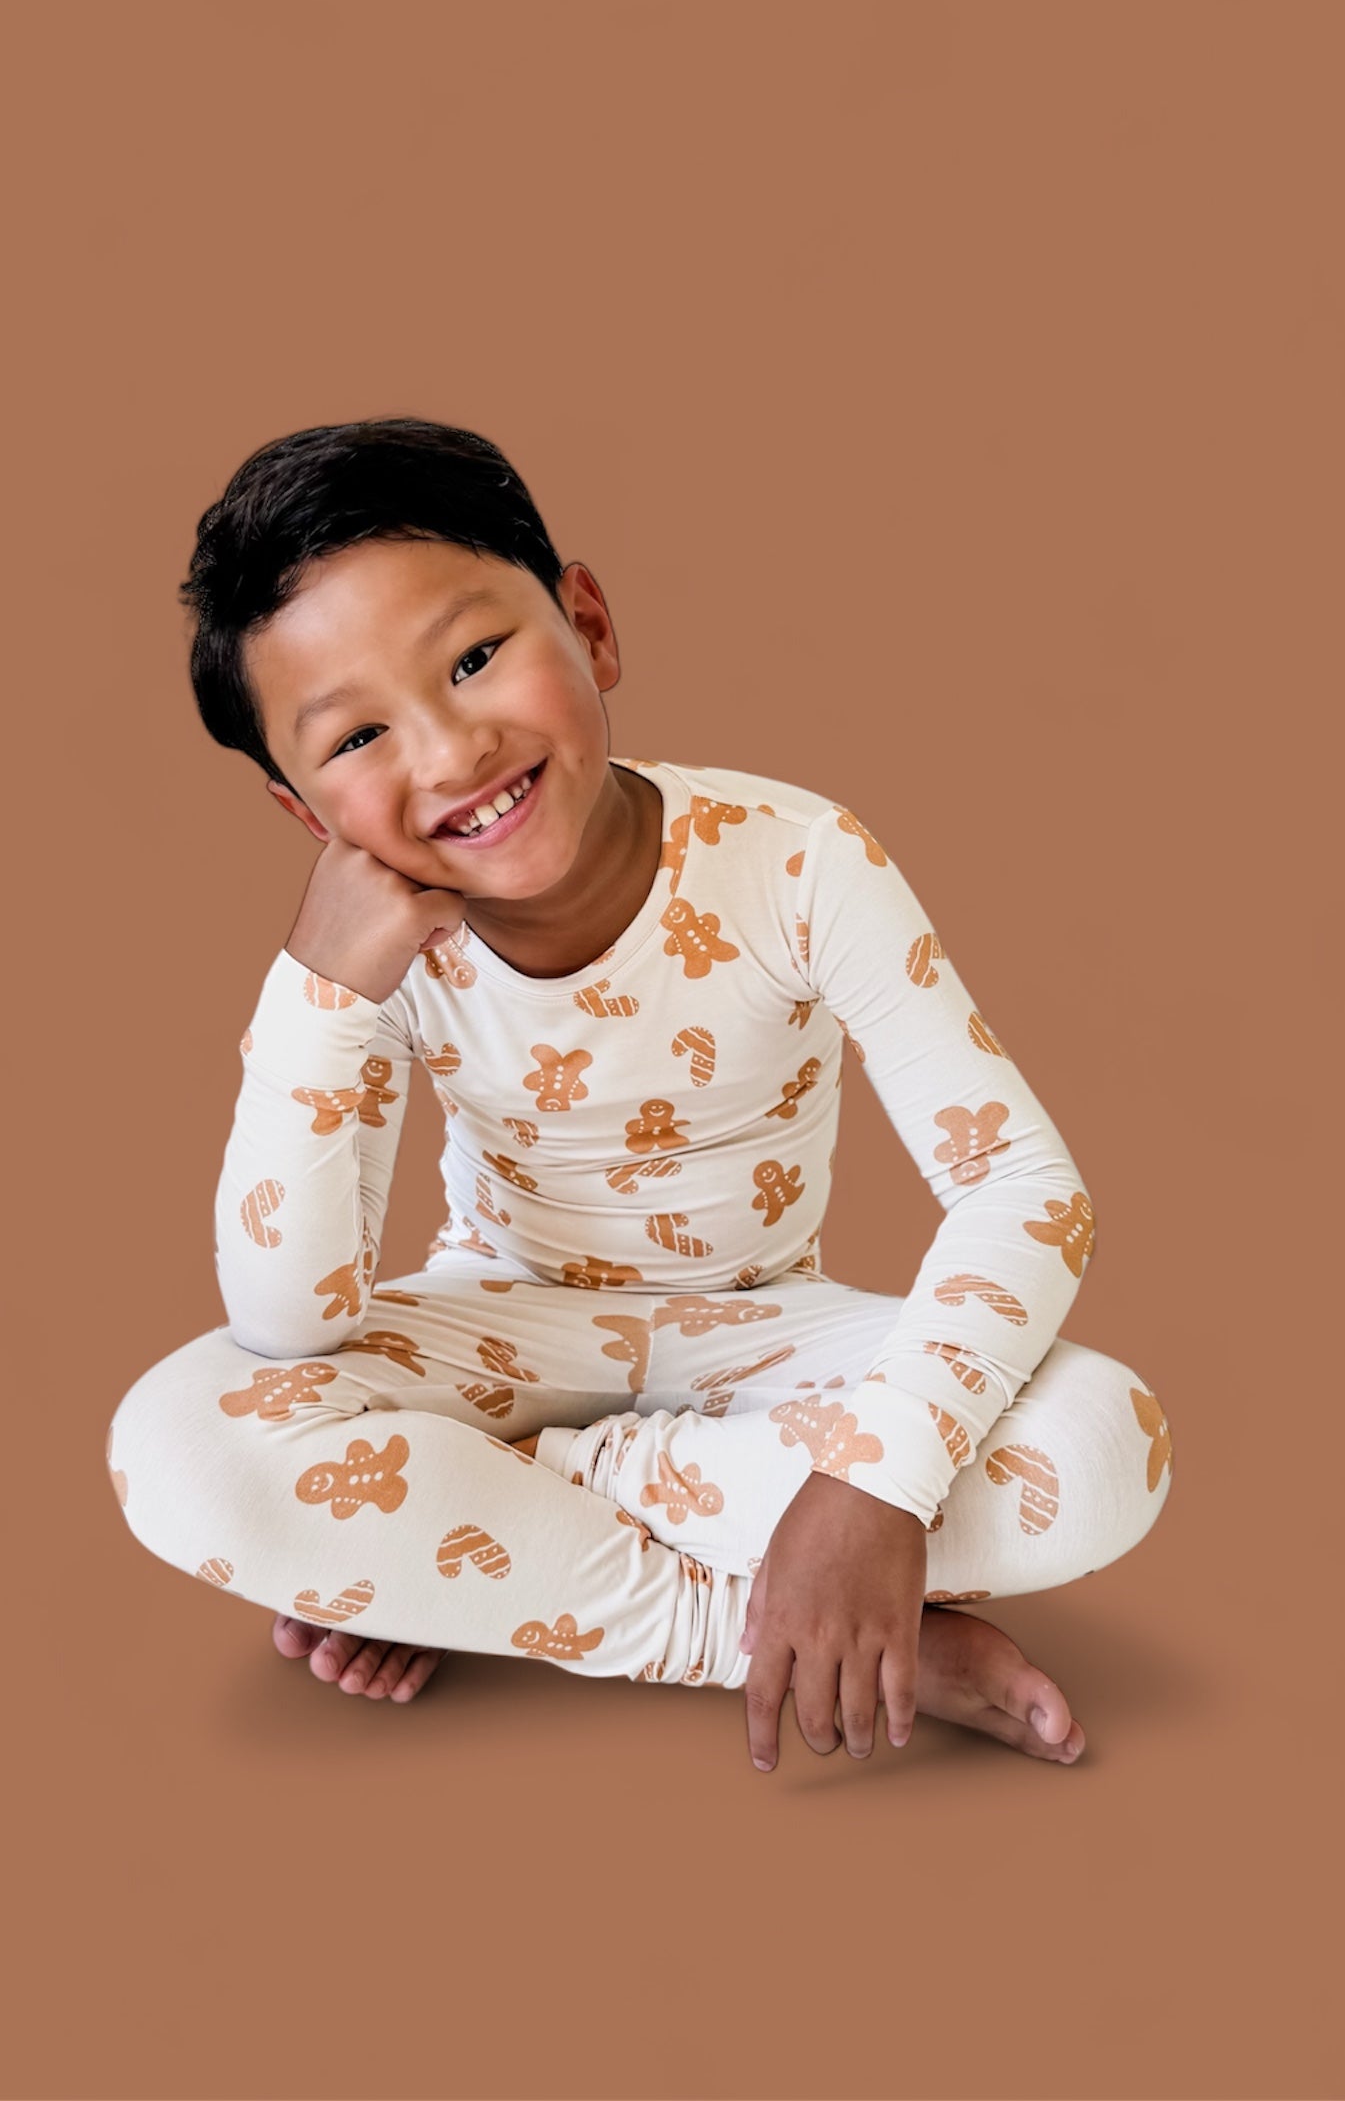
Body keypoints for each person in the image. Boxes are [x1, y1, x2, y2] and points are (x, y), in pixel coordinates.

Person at [107, 415, 1174, 1774]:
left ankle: (515, 1532)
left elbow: (1022, 1189)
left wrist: (875, 1481)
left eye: (475, 658)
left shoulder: (798, 859)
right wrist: (317, 993)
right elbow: (291, 1322)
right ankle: (748, 1627)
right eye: (361, 734)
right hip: (501, 1336)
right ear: (310, 819)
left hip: (765, 1339)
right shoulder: (374, 957)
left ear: (591, 626)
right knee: (176, 1448)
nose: (451, 753)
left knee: (1102, 1448)